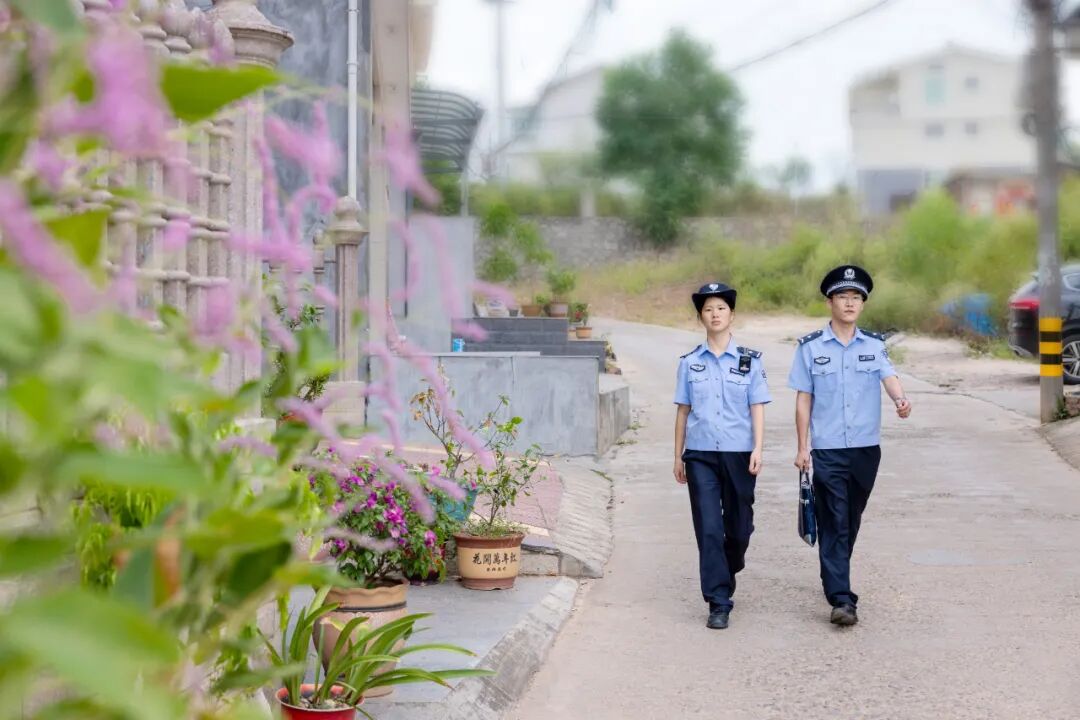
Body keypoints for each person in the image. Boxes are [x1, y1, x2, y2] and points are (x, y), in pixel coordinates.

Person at [787, 265, 912, 626]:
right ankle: (842, 598)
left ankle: (834, 570)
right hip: (826, 449)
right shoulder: (810, 348)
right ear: (831, 302)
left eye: (856, 297)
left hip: (865, 448)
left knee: (851, 519)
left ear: (862, 304)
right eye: (843, 296)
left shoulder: (874, 344)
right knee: (836, 520)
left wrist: (901, 401)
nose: (849, 303)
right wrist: (802, 446)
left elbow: (889, 377)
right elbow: (803, 400)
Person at [673, 282, 771, 630]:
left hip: (739, 453)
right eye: (708, 309)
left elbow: (757, 406)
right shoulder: (690, 363)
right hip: (700, 454)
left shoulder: (749, 361)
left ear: (731, 315)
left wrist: (758, 447)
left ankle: (728, 566)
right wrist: (678, 456)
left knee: (739, 529)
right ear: (701, 317)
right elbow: (683, 411)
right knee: (709, 528)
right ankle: (718, 600)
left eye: (721, 308)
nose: (714, 314)